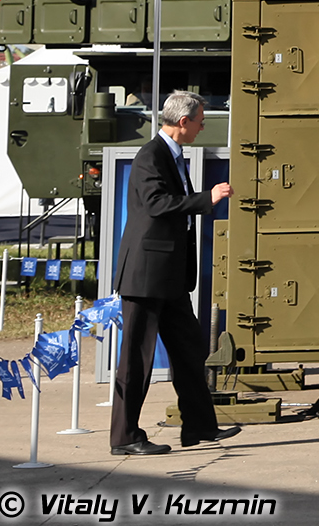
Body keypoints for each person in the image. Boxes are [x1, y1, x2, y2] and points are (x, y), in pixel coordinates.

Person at [109, 90, 239, 456]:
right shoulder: (151, 155)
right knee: (137, 359)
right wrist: (205, 199)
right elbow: (155, 204)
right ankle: (124, 437)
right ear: (183, 122)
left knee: (189, 351)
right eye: (200, 121)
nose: (202, 127)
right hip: (147, 275)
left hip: (170, 276)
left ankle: (200, 427)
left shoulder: (174, 155)